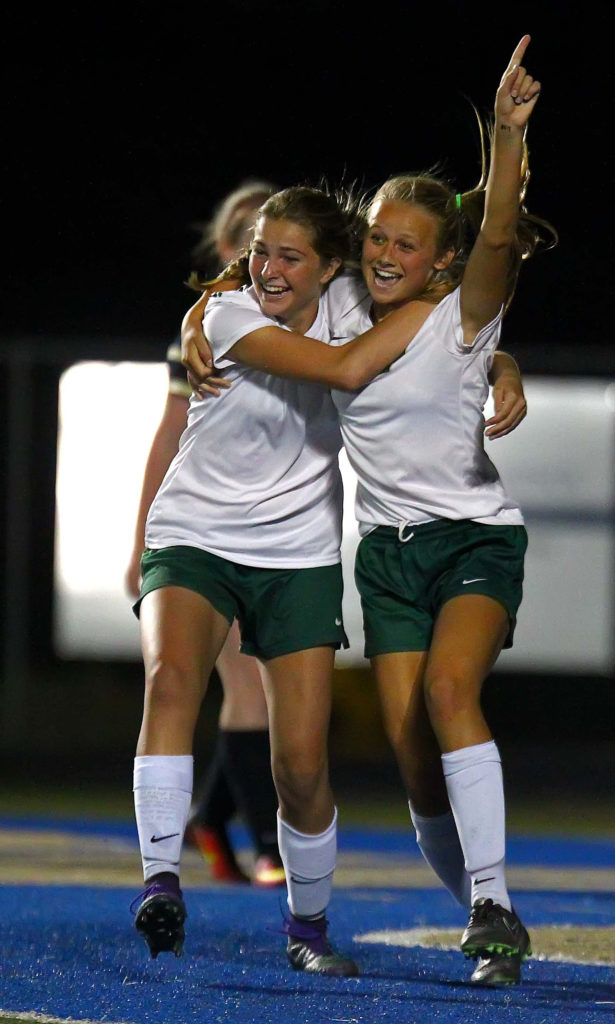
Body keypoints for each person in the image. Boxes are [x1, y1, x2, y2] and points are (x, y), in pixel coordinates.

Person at [182, 37, 553, 987]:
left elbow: (501, 232)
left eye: (406, 245)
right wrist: (198, 316)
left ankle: (494, 903)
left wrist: (507, 142)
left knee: (446, 695)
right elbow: (265, 274)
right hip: (385, 556)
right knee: (408, 756)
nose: (385, 254)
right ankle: (479, 901)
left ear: (442, 259)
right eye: (378, 238)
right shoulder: (346, 298)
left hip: (474, 539)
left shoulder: (464, 310)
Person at [131, 184, 443, 976]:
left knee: (301, 764)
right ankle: (161, 882)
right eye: (259, 251)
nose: (267, 268)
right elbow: (341, 372)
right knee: (172, 681)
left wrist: (498, 359)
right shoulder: (232, 312)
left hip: (297, 552)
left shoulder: (353, 299)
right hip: (194, 532)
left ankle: (308, 928)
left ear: (331, 265)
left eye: (289, 256)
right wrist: (198, 310)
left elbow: (457, 328)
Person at [125, 180, 286, 888]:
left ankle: (212, 820)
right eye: (251, 234)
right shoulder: (206, 330)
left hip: (272, 536)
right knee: (248, 689)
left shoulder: (301, 330)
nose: (268, 252)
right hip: (205, 534)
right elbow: (168, 438)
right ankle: (266, 848)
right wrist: (141, 544)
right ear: (226, 248)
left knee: (269, 692)